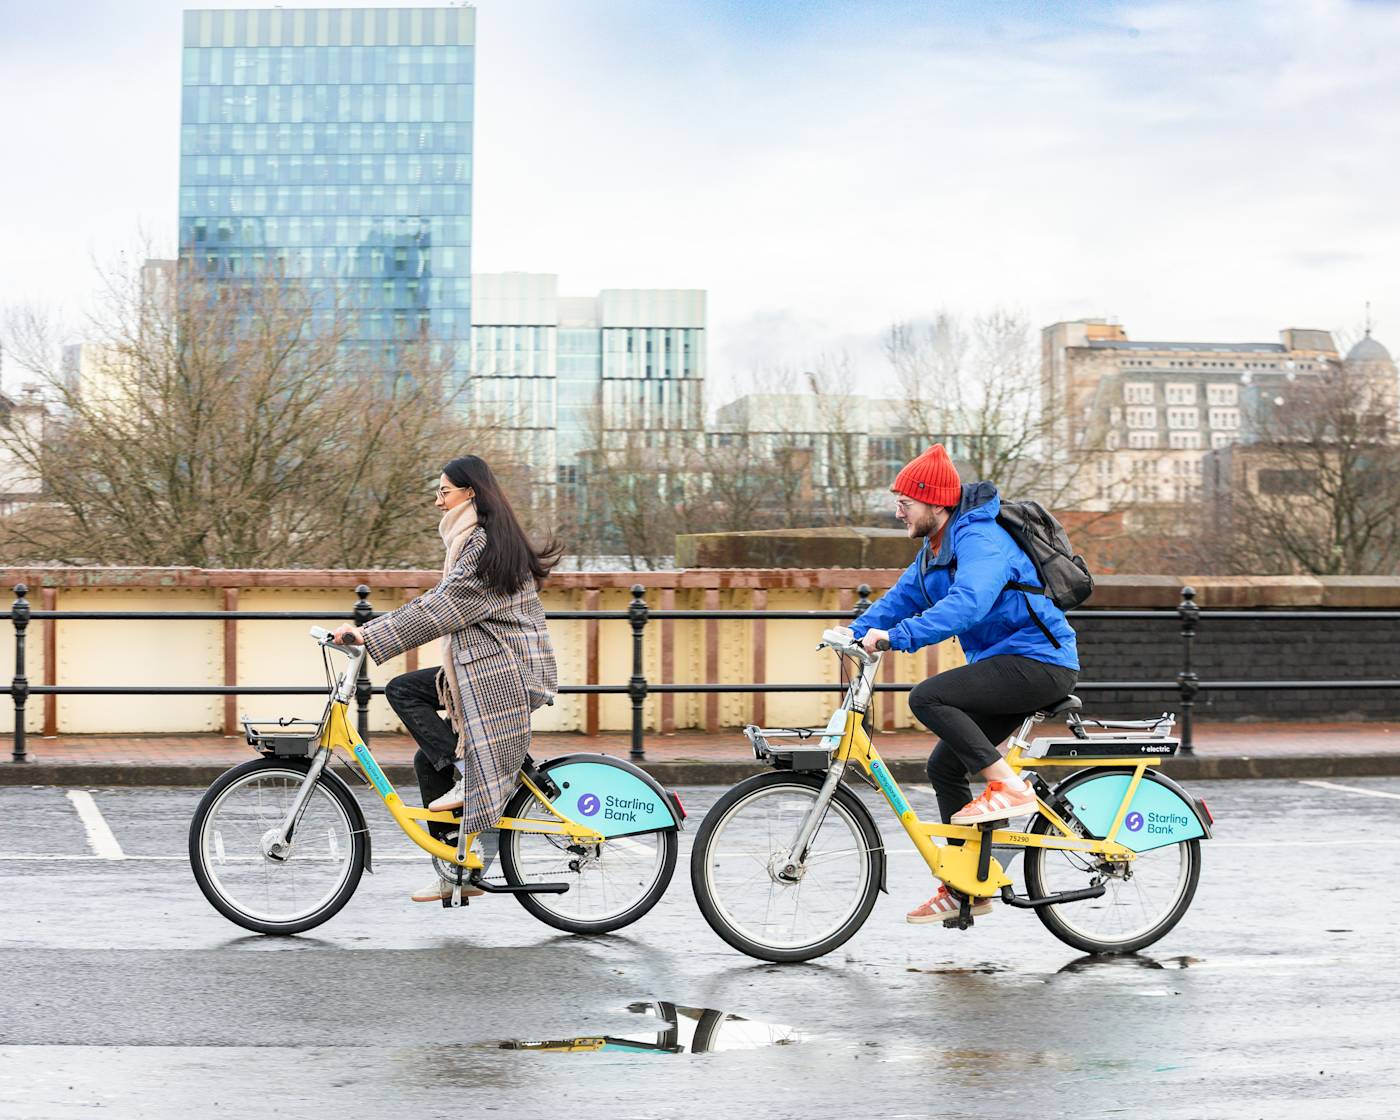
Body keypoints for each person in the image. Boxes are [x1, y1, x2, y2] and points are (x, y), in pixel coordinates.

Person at [847, 444, 1079, 926]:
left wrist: (897, 638)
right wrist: (848, 635)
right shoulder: (933, 550)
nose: (897, 511)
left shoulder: (980, 538)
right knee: (944, 766)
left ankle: (1009, 789)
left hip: (1040, 662)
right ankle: (966, 887)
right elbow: (899, 600)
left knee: (929, 696)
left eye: (904, 502)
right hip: (1005, 664)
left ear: (935, 503)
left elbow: (970, 603)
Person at [332, 455, 561, 904]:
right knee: (424, 759)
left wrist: (368, 633)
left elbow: (441, 608)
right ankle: (456, 871)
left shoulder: (484, 547)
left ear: (469, 493)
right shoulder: (474, 539)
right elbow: (440, 599)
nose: (438, 502)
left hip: (507, 670)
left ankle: (474, 778)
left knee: (402, 690)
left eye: (444, 492)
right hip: (482, 665)